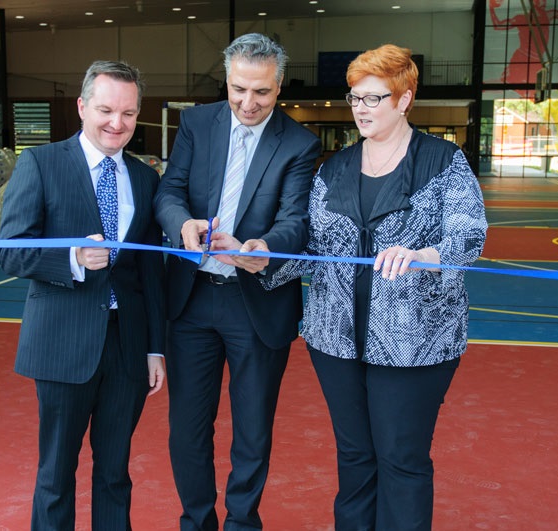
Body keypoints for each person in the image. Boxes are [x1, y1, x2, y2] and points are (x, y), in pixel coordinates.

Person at [214, 44, 487, 530]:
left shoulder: (443, 161)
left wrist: (426, 256)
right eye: (355, 98)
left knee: (402, 459)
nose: (361, 108)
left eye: (374, 98)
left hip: (414, 345)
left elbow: (468, 233)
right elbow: (312, 247)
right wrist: (258, 262)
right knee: (355, 457)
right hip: (335, 341)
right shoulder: (333, 169)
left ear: (404, 100)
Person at [153, 33, 321, 530]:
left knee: (252, 431)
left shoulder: (299, 143)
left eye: (262, 92)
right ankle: (197, 522)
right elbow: (170, 191)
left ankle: (243, 523)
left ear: (279, 86)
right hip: (191, 301)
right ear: (227, 81)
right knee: (187, 429)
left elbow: (296, 219)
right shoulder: (196, 124)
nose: (248, 103)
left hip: (256, 304)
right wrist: (180, 223)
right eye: (238, 89)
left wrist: (264, 248)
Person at [0, 60, 166, 530]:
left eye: (129, 113)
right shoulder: (40, 164)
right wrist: (70, 258)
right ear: (81, 107)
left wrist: (156, 347)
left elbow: (150, 272)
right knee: (56, 475)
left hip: (127, 348)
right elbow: (10, 253)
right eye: (106, 110)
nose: (117, 123)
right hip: (62, 345)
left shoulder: (146, 178)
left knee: (115, 474)